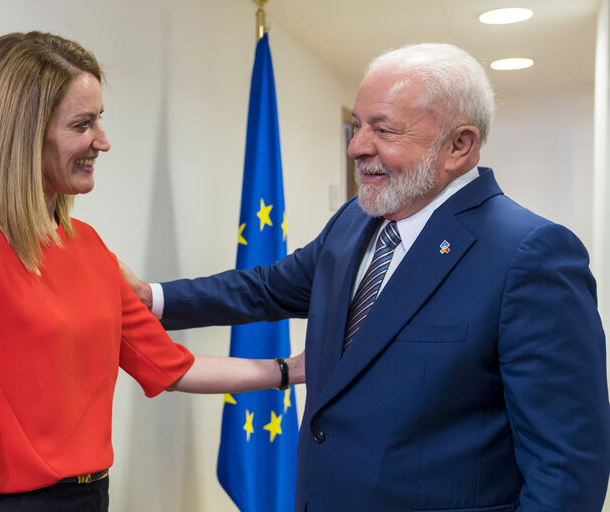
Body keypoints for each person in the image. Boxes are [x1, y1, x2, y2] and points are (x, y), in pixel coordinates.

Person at [121, 43, 610, 511]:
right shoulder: (355, 219)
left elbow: (566, 468)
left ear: (459, 146)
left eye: (384, 130)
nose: (356, 147)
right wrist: (152, 297)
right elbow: (267, 289)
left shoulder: (531, 255)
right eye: (357, 126)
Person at [0, 31, 304, 512]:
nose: (103, 141)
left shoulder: (89, 246)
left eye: (100, 119)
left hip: (91, 497)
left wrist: (293, 369)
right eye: (82, 124)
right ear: (21, 136)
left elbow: (172, 365)